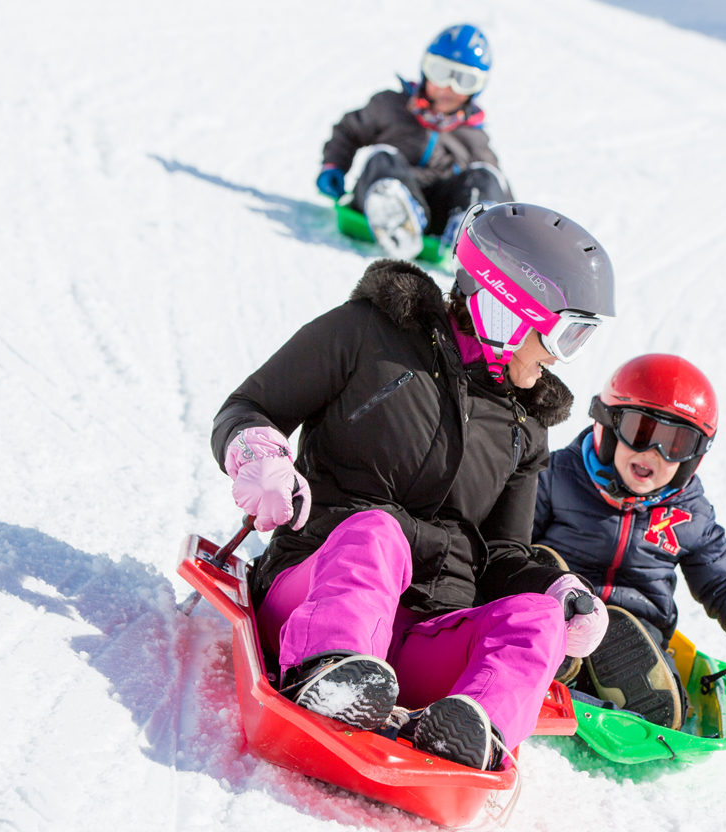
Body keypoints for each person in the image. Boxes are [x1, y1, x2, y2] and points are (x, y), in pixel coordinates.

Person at [210, 203, 616, 771]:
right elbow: (250, 406)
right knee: (378, 531)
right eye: (567, 334)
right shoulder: (367, 334)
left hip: (423, 634)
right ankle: (330, 673)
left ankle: (472, 730)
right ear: (512, 309)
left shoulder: (524, 425)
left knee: (536, 620)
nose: (559, 356)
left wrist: (556, 594)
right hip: (315, 593)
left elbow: (502, 554)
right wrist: (257, 453)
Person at [532, 354, 726, 731]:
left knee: (664, 696)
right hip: (565, 602)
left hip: (634, 631)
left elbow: (722, 582)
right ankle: (556, 651)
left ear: (693, 457)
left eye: (676, 443)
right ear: (608, 425)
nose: (653, 453)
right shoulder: (556, 476)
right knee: (541, 577)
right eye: (640, 432)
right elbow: (511, 541)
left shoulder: (690, 514)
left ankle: (600, 691)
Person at [316, 23, 513, 259]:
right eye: (440, 72)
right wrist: (333, 165)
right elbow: (349, 130)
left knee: (485, 173)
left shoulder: (474, 137)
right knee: (382, 156)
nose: (448, 87)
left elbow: (499, 188)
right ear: (425, 69)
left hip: (441, 218)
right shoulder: (391, 106)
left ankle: (472, 235)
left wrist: (513, 230)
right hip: (378, 200)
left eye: (465, 80)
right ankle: (394, 215)